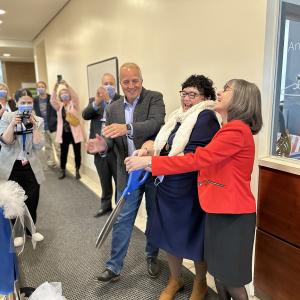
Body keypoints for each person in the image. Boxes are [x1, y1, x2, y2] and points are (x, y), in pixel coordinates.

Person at [125, 79, 263, 300]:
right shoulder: (227, 128)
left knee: (231, 279)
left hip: (233, 214)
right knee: (219, 274)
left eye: (226, 90)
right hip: (219, 209)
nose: (220, 92)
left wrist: (151, 163)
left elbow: (197, 159)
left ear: (241, 99)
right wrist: (151, 153)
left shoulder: (236, 131)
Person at [132, 75, 220, 300]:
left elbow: (191, 158)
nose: (187, 99)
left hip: (190, 190)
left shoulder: (206, 117)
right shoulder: (177, 117)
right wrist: (148, 151)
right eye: (184, 93)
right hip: (167, 185)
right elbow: (167, 148)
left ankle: (200, 283)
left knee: (194, 238)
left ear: (205, 98)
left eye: (193, 94)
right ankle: (176, 279)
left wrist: (151, 162)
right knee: (168, 236)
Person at [86, 62, 165, 281]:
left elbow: (156, 123)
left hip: (151, 169)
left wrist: (127, 128)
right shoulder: (113, 108)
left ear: (141, 80)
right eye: (126, 81)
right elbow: (112, 142)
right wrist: (103, 147)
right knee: (122, 218)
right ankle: (114, 267)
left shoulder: (154, 98)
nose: (131, 85)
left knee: (153, 214)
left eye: (135, 80)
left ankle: (152, 256)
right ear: (121, 83)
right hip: (127, 171)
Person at [0, 89, 46, 246]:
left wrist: (34, 128)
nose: (26, 105)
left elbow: (39, 145)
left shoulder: (38, 119)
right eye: (23, 103)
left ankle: (30, 230)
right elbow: (5, 141)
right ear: (16, 103)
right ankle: (17, 232)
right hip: (11, 166)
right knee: (13, 201)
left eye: (29, 102)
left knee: (32, 199)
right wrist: (13, 124)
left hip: (30, 165)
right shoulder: (7, 117)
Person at [82, 73, 120, 217]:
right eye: (105, 83)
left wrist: (110, 101)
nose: (108, 86)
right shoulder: (95, 101)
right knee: (104, 179)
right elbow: (85, 115)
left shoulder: (120, 100)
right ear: (101, 84)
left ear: (115, 85)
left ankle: (119, 208)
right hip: (99, 149)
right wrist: (97, 102)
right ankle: (105, 206)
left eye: (111, 83)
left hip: (116, 148)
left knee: (119, 180)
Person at [50, 80, 84, 179]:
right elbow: (52, 100)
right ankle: (63, 170)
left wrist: (67, 86)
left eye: (66, 93)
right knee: (63, 153)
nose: (64, 95)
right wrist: (56, 88)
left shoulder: (74, 104)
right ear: (60, 96)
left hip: (75, 133)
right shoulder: (59, 106)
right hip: (64, 133)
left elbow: (75, 96)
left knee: (77, 153)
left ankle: (77, 170)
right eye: (62, 94)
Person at [33, 80, 60, 167]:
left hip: (53, 126)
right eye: (39, 87)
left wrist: (56, 87)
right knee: (47, 146)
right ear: (37, 89)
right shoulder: (35, 100)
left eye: (42, 86)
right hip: (42, 127)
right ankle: (51, 162)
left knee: (58, 146)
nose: (41, 88)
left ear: (45, 88)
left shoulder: (50, 98)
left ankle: (62, 162)